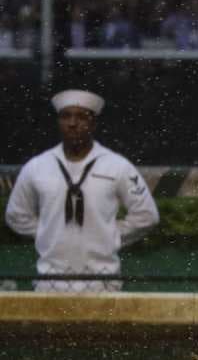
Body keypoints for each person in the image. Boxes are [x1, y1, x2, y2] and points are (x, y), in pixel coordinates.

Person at [4, 89, 159, 292]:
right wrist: (47, 232)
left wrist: (110, 234)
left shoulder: (117, 165)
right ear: (58, 122)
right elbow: (16, 215)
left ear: (93, 123)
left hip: (102, 280)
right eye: (66, 116)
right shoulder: (37, 166)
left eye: (81, 117)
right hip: (50, 280)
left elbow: (146, 215)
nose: (72, 123)